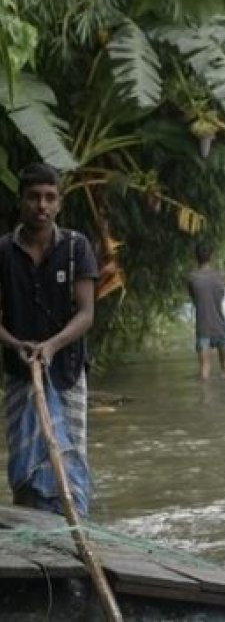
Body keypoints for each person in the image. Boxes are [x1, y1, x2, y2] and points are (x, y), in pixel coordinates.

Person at [0, 162, 98, 515]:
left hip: (68, 373)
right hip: (19, 374)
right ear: (21, 201)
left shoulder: (76, 247)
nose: (41, 205)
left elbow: (86, 314)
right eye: (33, 197)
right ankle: (33, 548)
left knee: (69, 460)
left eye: (49, 198)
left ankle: (73, 533)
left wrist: (52, 346)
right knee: (25, 466)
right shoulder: (4, 251)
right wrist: (16, 344)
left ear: (59, 203)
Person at [186, 241, 225, 380]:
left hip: (203, 328)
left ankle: (204, 400)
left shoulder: (192, 278)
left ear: (196, 257)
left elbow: (194, 299)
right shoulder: (221, 277)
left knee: (204, 370)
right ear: (211, 256)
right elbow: (220, 296)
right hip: (220, 327)